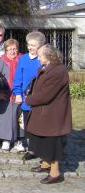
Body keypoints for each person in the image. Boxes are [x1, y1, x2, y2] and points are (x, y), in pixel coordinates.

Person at [25, 44, 72, 184]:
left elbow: (46, 95)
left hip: (52, 113)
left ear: (49, 56)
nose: (38, 58)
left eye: (40, 56)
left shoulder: (58, 71)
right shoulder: (49, 68)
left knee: (51, 143)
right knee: (41, 139)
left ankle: (55, 173)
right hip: (44, 112)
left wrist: (28, 99)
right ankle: (45, 164)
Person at [12, 31, 46, 160]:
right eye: (28, 44)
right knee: (28, 125)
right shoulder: (24, 59)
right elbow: (18, 78)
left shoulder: (43, 60)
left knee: (41, 125)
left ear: (41, 46)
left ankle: (42, 148)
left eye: (33, 45)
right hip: (27, 99)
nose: (30, 47)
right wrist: (17, 93)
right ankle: (31, 149)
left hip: (41, 99)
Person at [0, 39, 22, 151]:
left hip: (19, 94)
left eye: (15, 49)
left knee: (19, 118)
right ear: (5, 50)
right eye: (10, 49)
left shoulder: (22, 60)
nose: (12, 51)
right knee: (5, 118)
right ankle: (5, 140)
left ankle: (19, 140)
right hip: (4, 94)